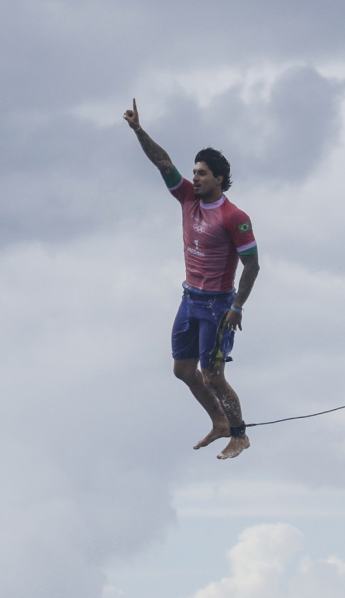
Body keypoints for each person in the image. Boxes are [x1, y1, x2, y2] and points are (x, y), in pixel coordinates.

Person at [123, 99, 260, 460]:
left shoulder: (235, 217)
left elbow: (253, 265)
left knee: (213, 375)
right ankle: (219, 422)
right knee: (183, 370)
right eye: (194, 172)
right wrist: (138, 130)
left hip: (218, 306)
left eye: (201, 173)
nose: (194, 177)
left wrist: (238, 306)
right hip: (189, 299)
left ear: (218, 178)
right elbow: (163, 162)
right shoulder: (187, 198)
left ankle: (240, 434)